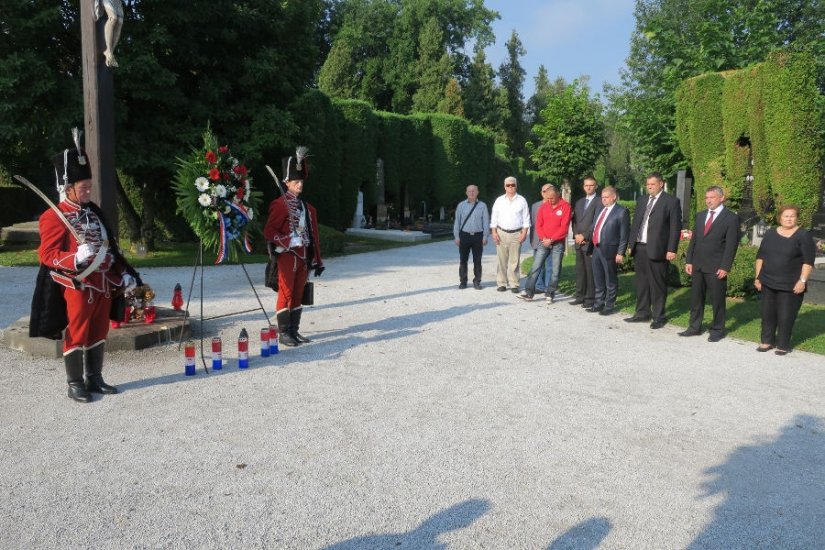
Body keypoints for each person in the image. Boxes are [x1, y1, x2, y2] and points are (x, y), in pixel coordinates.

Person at [31, 135, 140, 402]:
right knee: (78, 332)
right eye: (83, 186)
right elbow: (46, 255)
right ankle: (75, 383)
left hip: (103, 285)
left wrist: (124, 273)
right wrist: (75, 258)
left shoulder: (94, 212)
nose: (88, 191)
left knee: (99, 330)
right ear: (67, 187)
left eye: (90, 186)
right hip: (78, 286)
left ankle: (95, 377)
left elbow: (110, 248)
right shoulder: (53, 217)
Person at [263, 147, 324, 347]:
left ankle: (294, 330)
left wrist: (316, 258)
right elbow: (269, 232)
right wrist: (288, 240)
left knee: (299, 292)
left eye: (301, 182)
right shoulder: (280, 205)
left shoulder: (307, 208)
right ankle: (283, 332)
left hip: (304, 256)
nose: (300, 185)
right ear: (286, 183)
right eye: (296, 182)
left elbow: (313, 235)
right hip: (288, 256)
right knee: (286, 292)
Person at [679, 186, 740, 342]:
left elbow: (731, 245)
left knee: (717, 300)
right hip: (698, 264)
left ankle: (717, 329)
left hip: (716, 266)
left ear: (721, 198)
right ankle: (694, 327)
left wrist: (725, 266)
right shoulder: (700, 216)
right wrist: (689, 260)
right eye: (706, 197)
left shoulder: (731, 218)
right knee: (696, 298)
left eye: (711, 197)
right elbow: (694, 241)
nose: (708, 200)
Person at [754, 205, 816, 355]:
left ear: (797, 218)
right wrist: (757, 277)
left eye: (792, 216)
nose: (789, 218)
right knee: (768, 314)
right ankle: (767, 341)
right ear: (780, 218)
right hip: (768, 280)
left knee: (786, 315)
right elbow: (760, 256)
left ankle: (783, 344)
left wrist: (802, 281)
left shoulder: (803, 236)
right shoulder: (770, 234)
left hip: (790, 285)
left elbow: (808, 262)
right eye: (786, 216)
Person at [626, 172, 682, 329]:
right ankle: (642, 313)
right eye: (648, 184)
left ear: (661, 184)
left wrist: (672, 248)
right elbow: (636, 222)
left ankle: (658, 316)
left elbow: (675, 228)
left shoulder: (671, 202)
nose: (649, 186)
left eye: (652, 184)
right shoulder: (642, 200)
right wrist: (631, 243)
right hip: (640, 247)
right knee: (642, 282)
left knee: (657, 284)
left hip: (658, 248)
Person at [517, 185, 571, 302]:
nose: (549, 201)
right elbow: (538, 225)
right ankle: (529, 292)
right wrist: (544, 238)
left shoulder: (565, 207)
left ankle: (550, 293)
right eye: (547, 198)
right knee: (535, 267)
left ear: (558, 194)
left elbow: (564, 227)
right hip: (543, 242)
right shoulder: (544, 206)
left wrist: (551, 239)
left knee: (555, 270)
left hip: (557, 243)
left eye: (551, 198)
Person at [586, 186, 630, 315]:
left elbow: (624, 235)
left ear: (614, 197)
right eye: (603, 197)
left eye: (606, 197)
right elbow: (595, 228)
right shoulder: (601, 209)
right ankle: (598, 303)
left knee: (610, 279)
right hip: (596, 248)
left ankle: (609, 305)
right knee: (598, 277)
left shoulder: (621, 211)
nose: (604, 200)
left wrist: (620, 252)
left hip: (610, 250)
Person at [489, 177, 530, 293]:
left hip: (517, 233)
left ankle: (514, 283)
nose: (510, 187)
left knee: (514, 260)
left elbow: (526, 219)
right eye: (508, 185)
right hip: (501, 232)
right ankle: (501, 283)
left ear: (516, 186)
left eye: (513, 185)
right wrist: (494, 232)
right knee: (501, 259)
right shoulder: (499, 200)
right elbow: (494, 218)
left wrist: (524, 233)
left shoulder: (522, 200)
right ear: (504, 186)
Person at [570, 177, 600, 307]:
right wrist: (576, 234)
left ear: (596, 186)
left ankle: (590, 298)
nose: (588, 187)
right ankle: (580, 296)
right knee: (580, 271)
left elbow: (596, 222)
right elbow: (575, 220)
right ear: (583, 187)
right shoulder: (579, 202)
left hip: (589, 242)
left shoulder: (600, 202)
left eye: (591, 185)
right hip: (578, 241)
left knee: (590, 271)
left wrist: (585, 236)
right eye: (586, 185)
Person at [453, 184, 489, 290]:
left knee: (477, 260)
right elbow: (457, 222)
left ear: (477, 192)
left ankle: (477, 281)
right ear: (466, 193)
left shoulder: (483, 206)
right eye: (469, 191)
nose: (472, 193)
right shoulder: (461, 206)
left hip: (478, 236)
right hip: (464, 235)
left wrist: (485, 236)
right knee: (463, 260)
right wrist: (456, 236)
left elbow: (486, 222)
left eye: (474, 191)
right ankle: (463, 281)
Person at [529, 187, 553, 292]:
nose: (546, 193)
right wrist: (532, 239)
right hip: (537, 239)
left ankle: (548, 287)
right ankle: (539, 285)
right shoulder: (535, 206)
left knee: (549, 266)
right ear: (541, 193)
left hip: (550, 240)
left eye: (549, 191)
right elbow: (532, 224)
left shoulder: (556, 205)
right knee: (538, 265)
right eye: (544, 191)